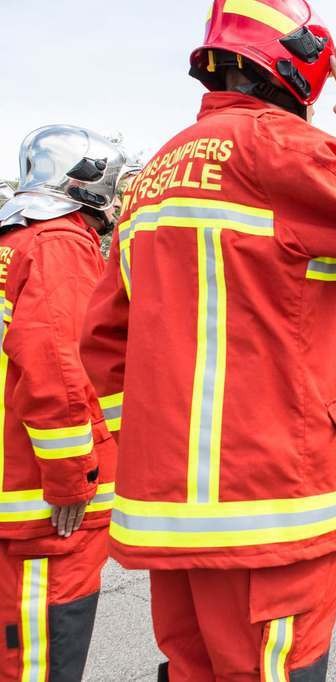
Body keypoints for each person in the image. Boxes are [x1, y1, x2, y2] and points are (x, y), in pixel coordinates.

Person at [78, 1, 336, 678]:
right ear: (296, 70)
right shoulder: (274, 146)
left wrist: (141, 460)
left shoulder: (152, 179)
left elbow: (104, 347)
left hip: (171, 515)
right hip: (270, 507)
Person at [0, 125, 122, 681]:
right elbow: (57, 369)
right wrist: (74, 478)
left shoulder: (13, 243)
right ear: (85, 186)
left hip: (13, 483)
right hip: (44, 506)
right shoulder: (60, 245)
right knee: (42, 655)